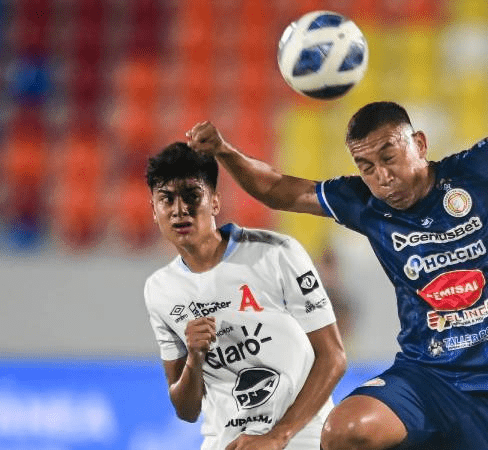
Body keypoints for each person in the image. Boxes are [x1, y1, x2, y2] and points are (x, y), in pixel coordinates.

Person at [186, 47, 488, 449]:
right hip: (424, 375)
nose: (382, 177)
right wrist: (225, 151)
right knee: (346, 430)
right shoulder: (365, 204)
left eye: (389, 157)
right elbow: (278, 190)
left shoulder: (482, 169)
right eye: (366, 167)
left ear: (419, 144)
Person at [143, 142, 347, 450]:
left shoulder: (277, 253)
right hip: (226, 443)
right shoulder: (160, 290)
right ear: (154, 210)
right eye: (166, 199)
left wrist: (278, 435)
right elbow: (186, 410)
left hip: (298, 438)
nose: (179, 209)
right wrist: (194, 358)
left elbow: (333, 357)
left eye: (192, 196)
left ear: (215, 202)